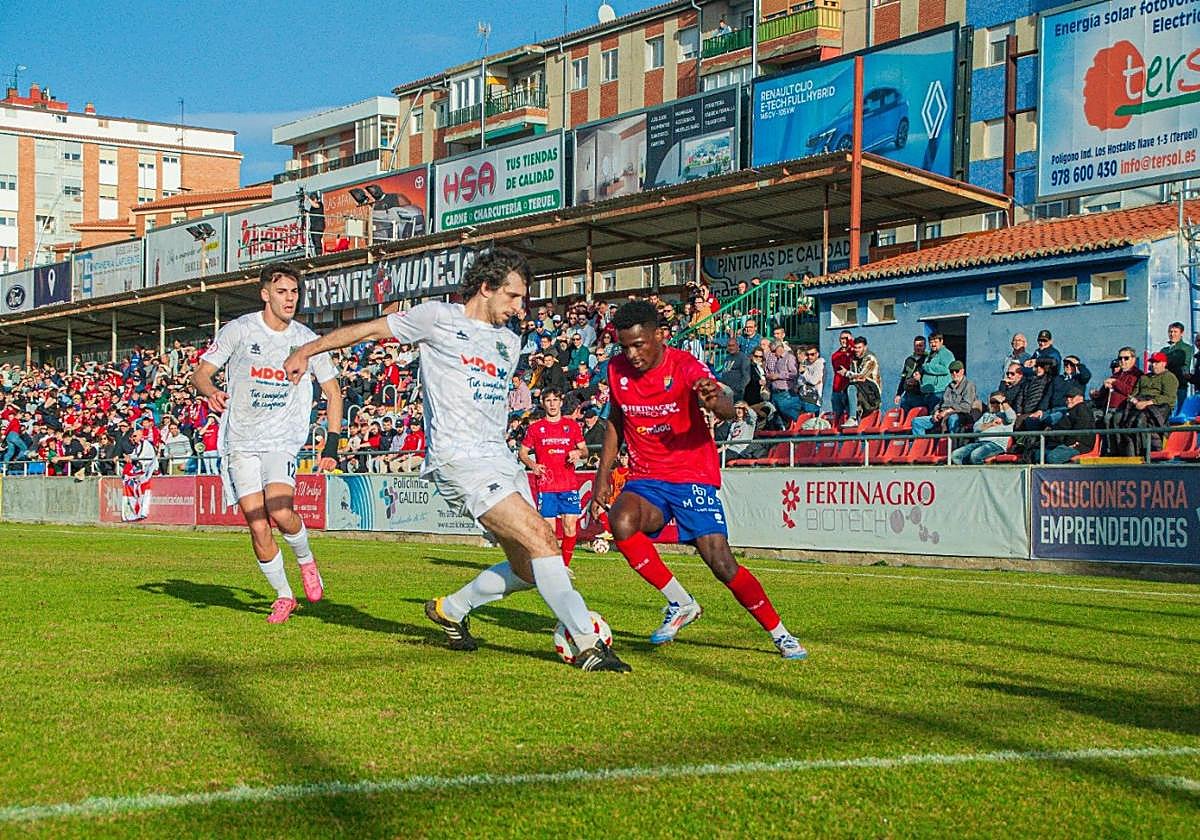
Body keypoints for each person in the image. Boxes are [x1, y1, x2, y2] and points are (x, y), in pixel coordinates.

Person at [284, 247, 629, 672]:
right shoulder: (438, 318)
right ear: (486, 288)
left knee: (528, 566)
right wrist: (307, 350)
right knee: (542, 537)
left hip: (500, 460)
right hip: (458, 460)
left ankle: (451, 608)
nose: (521, 308)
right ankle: (588, 641)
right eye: (513, 296)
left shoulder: (509, 341)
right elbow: (369, 331)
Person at [591, 299, 807, 660]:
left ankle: (780, 633)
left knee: (721, 562)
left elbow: (722, 405)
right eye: (624, 346)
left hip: (692, 473)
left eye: (639, 345)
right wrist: (603, 474)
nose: (631, 354)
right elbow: (616, 419)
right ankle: (680, 602)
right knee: (621, 520)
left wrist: (715, 401)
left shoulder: (684, 365)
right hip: (648, 476)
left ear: (660, 336)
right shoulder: (617, 370)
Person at [192, 262, 344, 625]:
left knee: (280, 511)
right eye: (282, 292)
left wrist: (331, 446)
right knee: (257, 525)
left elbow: (333, 393)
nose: (290, 299)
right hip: (240, 441)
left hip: (282, 439)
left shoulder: (307, 340)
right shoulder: (240, 330)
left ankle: (306, 561)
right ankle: (284, 596)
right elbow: (201, 373)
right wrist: (211, 391)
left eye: (294, 292)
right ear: (265, 294)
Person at [520, 389, 588, 569]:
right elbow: (523, 453)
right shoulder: (536, 428)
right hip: (546, 485)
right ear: (543, 403)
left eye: (555, 400)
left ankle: (564, 567)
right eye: (548, 400)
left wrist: (578, 452)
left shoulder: (572, 426)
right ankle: (552, 566)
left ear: (561, 402)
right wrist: (533, 465)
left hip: (568, 484)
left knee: (570, 528)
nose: (552, 404)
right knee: (550, 533)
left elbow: (585, 451)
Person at [913, 361, 977, 435]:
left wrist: (947, 411)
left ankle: (952, 445)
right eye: (951, 371)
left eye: (957, 371)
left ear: (962, 371)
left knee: (953, 419)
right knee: (917, 422)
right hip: (942, 415)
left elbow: (966, 406)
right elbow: (941, 403)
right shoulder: (949, 386)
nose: (954, 374)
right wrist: (936, 412)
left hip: (959, 415)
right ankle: (921, 445)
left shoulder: (969, 385)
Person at [951, 392, 1015, 464]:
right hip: (980, 442)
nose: (995, 404)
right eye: (992, 402)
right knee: (955, 455)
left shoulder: (1006, 415)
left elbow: (1011, 418)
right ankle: (965, 473)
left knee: (975, 455)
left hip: (996, 444)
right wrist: (990, 424)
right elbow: (976, 428)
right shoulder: (986, 415)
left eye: (997, 402)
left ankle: (980, 474)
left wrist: (1003, 402)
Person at [1161, 321, 1194, 411]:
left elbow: (1184, 364)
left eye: (1175, 332)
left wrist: (1165, 363)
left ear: (1181, 333)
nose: (1172, 334)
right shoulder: (1164, 350)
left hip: (1179, 385)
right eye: (1170, 332)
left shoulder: (1186, 348)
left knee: (1179, 412)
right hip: (1164, 386)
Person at [847, 336, 881, 419]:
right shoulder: (854, 360)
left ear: (865, 347)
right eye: (855, 347)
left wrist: (847, 373)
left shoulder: (870, 358)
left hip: (872, 392)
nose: (857, 350)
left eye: (859, 347)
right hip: (860, 389)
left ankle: (852, 418)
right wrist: (854, 376)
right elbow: (853, 379)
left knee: (851, 388)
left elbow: (861, 376)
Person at [917, 332, 954, 410]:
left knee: (934, 417)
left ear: (941, 341)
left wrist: (926, 367)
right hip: (926, 392)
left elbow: (945, 369)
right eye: (931, 342)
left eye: (935, 342)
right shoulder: (930, 354)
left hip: (938, 392)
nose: (933, 344)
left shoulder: (946, 353)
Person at [894, 335, 927, 412]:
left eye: (920, 346)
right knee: (903, 416)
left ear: (925, 346)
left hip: (921, 395)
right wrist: (898, 394)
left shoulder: (927, 359)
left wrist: (918, 380)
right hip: (908, 395)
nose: (918, 348)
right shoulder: (909, 360)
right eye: (916, 346)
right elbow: (903, 377)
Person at [829, 330, 854, 420]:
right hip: (837, 389)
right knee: (837, 415)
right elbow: (838, 370)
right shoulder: (835, 355)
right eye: (842, 338)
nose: (844, 341)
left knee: (850, 413)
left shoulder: (853, 352)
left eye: (846, 338)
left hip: (849, 388)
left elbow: (856, 352)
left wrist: (851, 342)